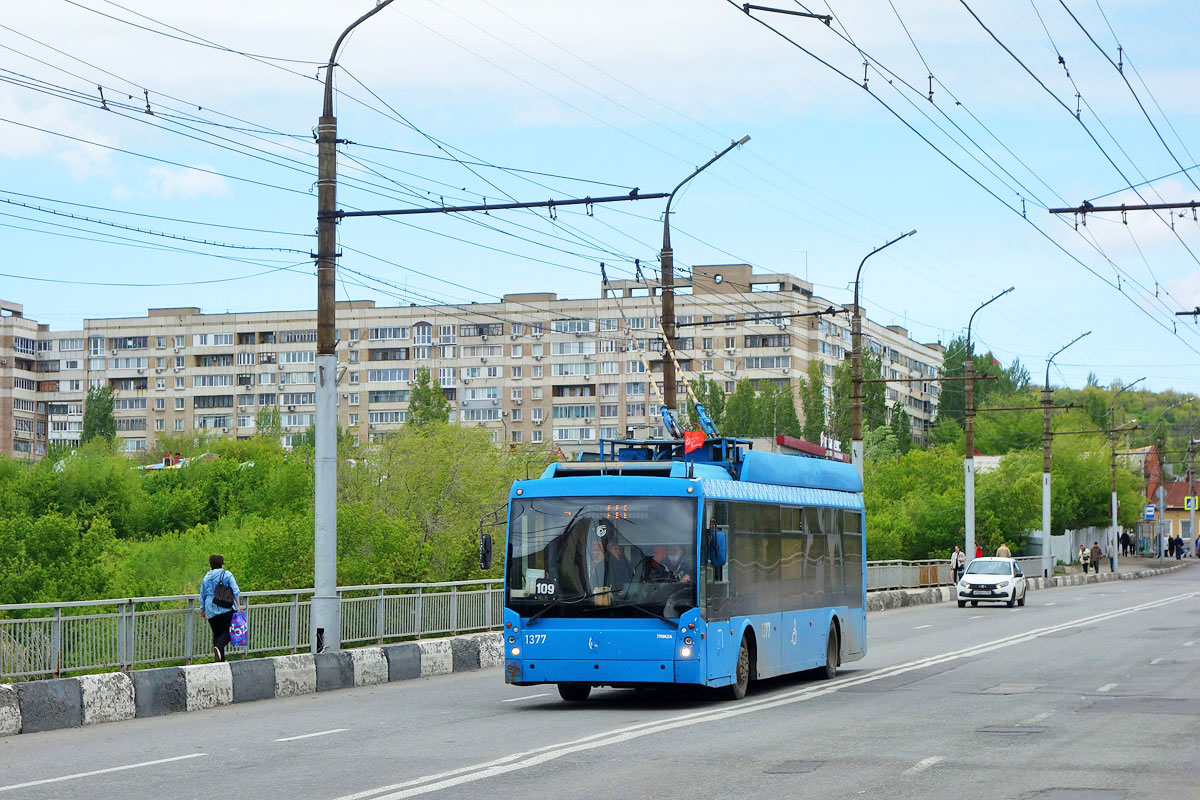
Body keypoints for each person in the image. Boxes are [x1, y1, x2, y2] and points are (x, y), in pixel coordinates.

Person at [200, 554, 240, 662]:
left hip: (210, 609)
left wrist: (202, 609)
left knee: (217, 633)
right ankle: (219, 647)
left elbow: (202, 594)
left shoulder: (206, 577)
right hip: (225, 607)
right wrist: (238, 607)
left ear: (211, 565)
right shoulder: (226, 574)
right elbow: (235, 591)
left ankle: (220, 660)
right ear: (222, 564)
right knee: (229, 632)